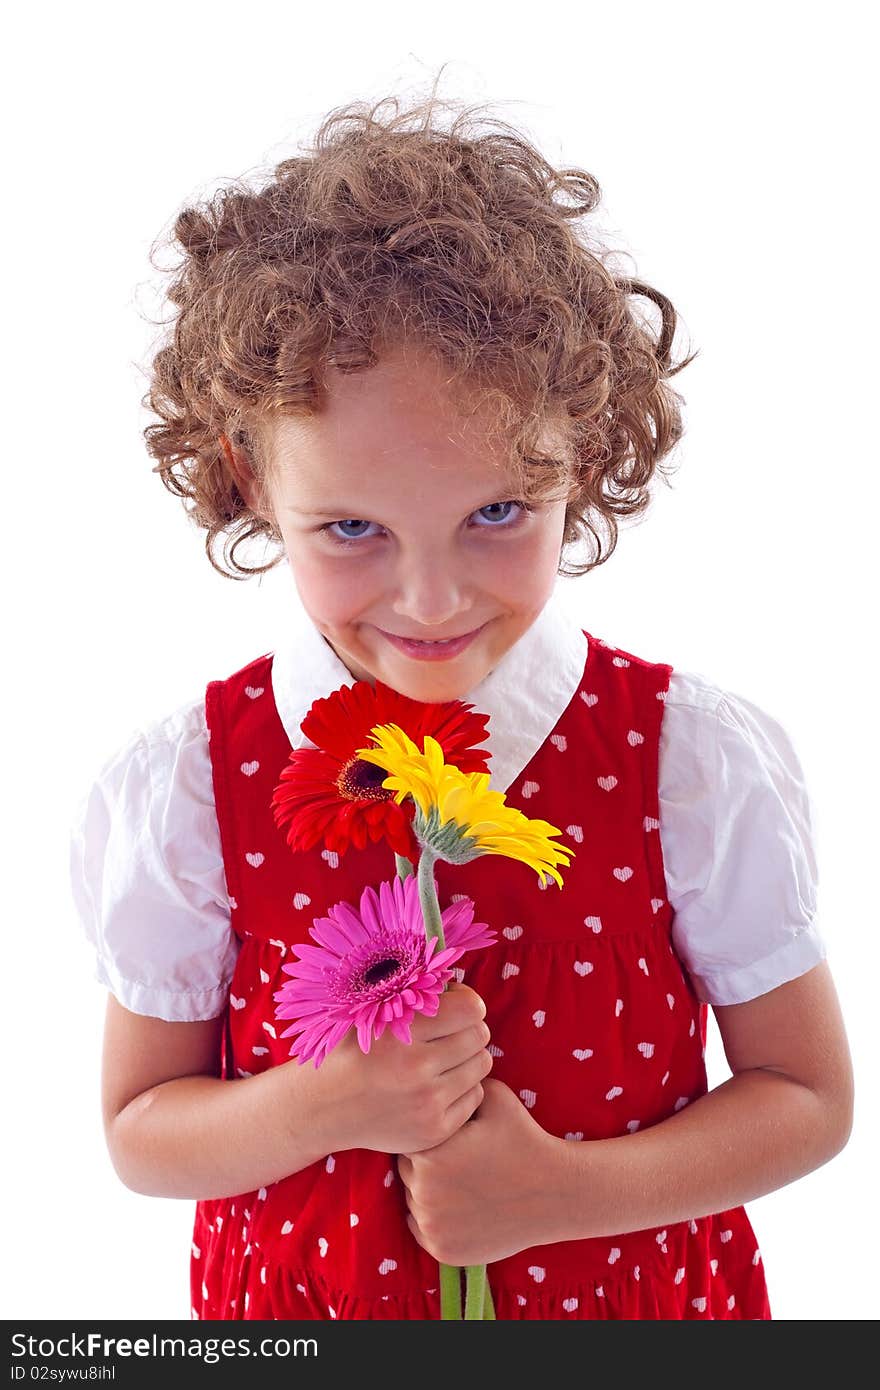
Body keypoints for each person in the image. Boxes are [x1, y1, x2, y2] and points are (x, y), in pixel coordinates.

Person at [69, 85, 854, 1321]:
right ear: (247, 478)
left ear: (578, 455)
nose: (428, 599)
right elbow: (137, 1129)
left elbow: (807, 1097)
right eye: (351, 528)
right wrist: (326, 1102)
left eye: (496, 513)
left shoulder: (681, 760)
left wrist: (559, 1194)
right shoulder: (191, 782)